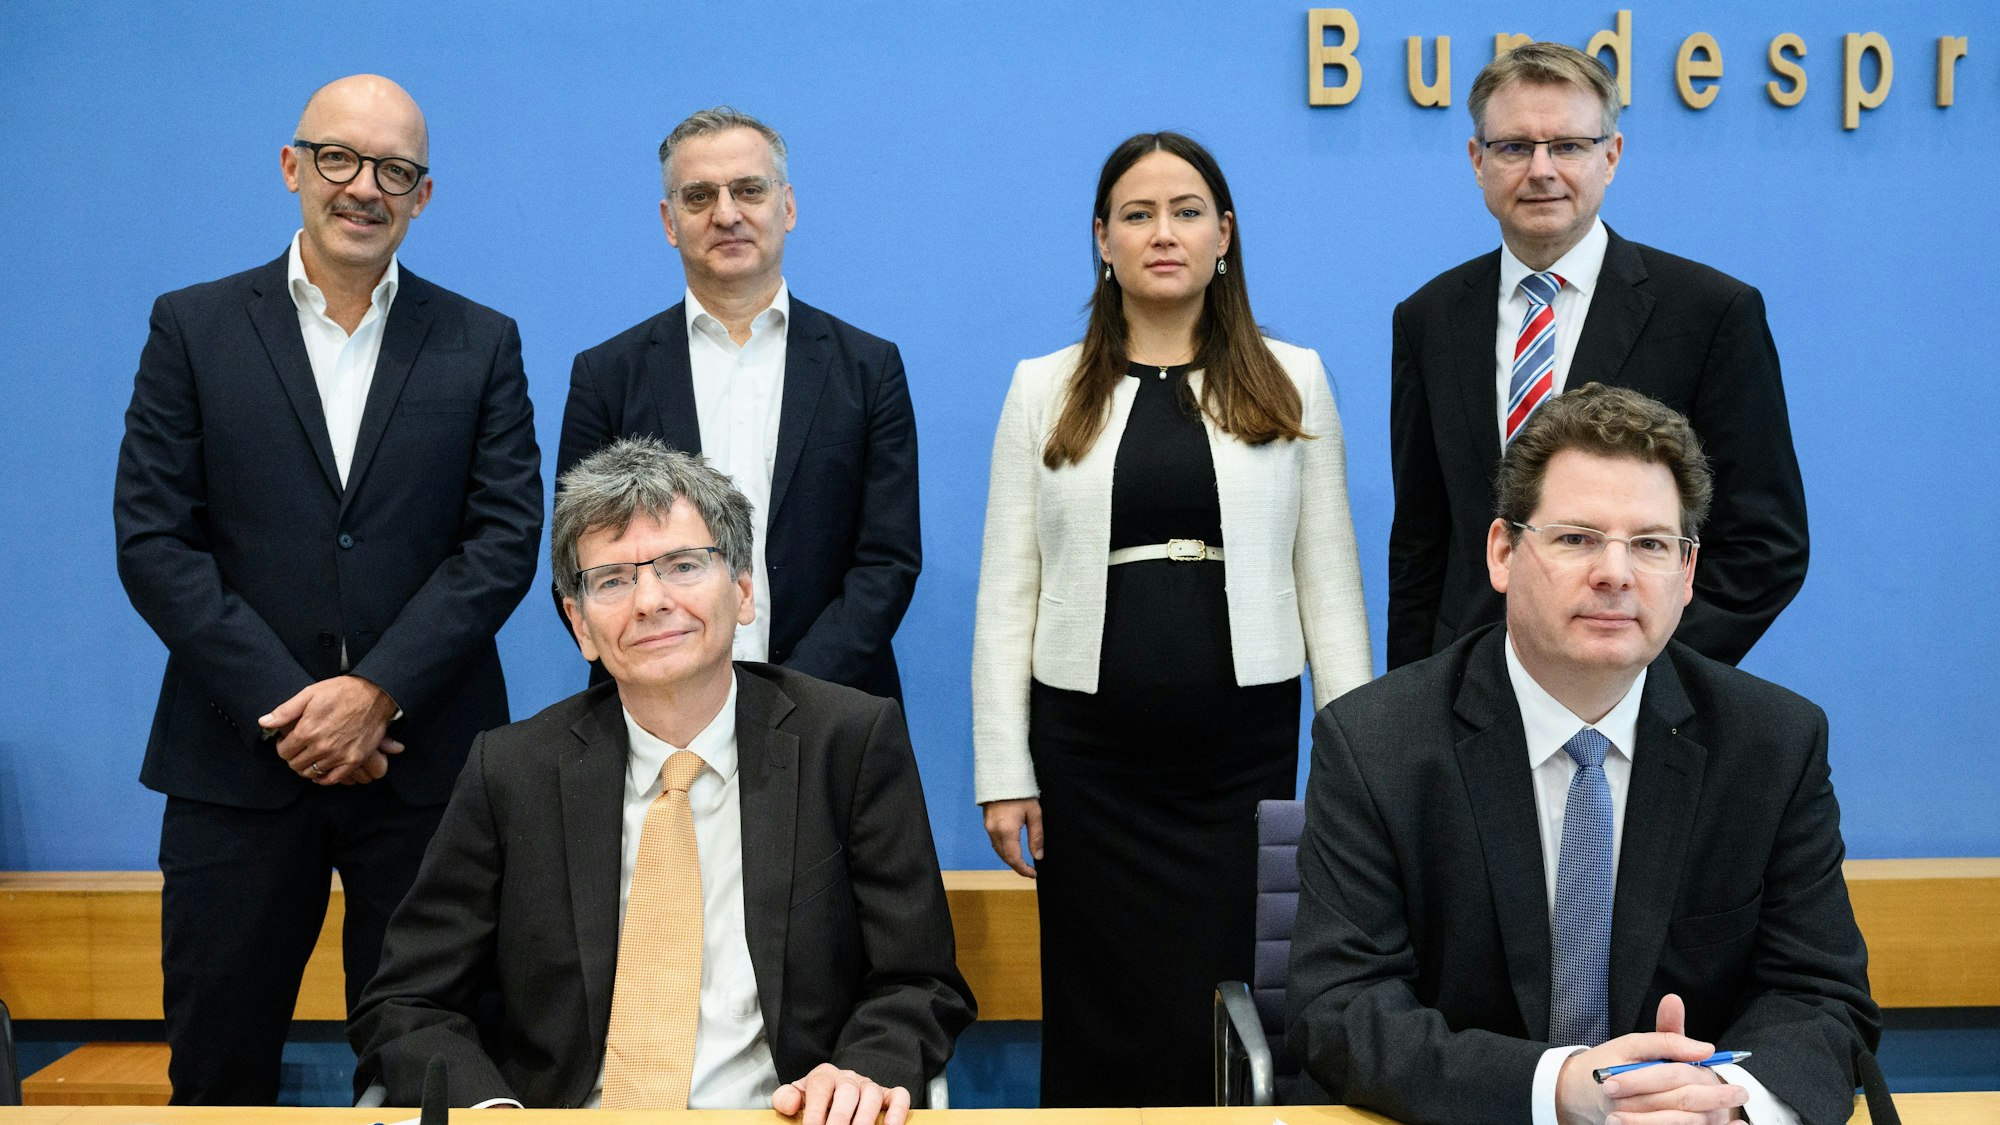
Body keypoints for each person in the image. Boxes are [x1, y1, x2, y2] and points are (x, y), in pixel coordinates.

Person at [112, 74, 543, 1103]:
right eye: (341, 159)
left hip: (425, 767)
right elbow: (154, 540)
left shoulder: (481, 341)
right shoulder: (195, 326)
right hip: (233, 766)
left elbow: (504, 539)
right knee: (217, 1069)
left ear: (422, 196)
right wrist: (296, 710)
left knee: (425, 1071)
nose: (365, 188)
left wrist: (374, 692)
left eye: (395, 170)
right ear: (292, 167)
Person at [1288, 383, 1877, 1125]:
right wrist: (1556, 1086)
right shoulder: (1377, 742)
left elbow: (1820, 995)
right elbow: (1340, 1008)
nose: (1616, 573)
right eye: (1576, 538)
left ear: (1688, 575)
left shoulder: (1772, 744)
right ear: (1503, 552)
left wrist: (1730, 1104)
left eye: (1652, 544)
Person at [350, 437, 973, 1117]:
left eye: (681, 565)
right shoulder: (512, 771)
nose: (650, 600)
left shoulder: (846, 743)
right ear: (580, 623)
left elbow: (919, 982)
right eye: (613, 579)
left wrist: (861, 1071)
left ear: (742, 590)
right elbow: (408, 1002)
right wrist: (492, 1111)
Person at [972, 131, 1373, 1106]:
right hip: (1088, 760)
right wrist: (1003, 773)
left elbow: (1329, 582)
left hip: (1237, 756)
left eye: (1186, 211)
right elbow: (1003, 594)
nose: (1164, 232)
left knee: (1227, 990)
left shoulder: (1294, 377)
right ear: (1101, 239)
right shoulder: (1041, 387)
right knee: (1096, 994)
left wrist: (1359, 768)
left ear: (1223, 235)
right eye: (1138, 214)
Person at [1388, 41, 1808, 671]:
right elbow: (1421, 544)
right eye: (1514, 147)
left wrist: (1643, 666)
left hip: (1636, 690)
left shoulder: (1710, 312)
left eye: (1568, 145)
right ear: (1477, 162)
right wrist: (1410, 701)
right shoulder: (1428, 317)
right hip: (1468, 691)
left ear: (1611, 156)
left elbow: (1766, 544)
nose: (1541, 170)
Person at [559, 107, 918, 699]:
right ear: (669, 221)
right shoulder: (608, 375)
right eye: (699, 196)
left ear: (789, 206)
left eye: (749, 190)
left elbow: (887, 563)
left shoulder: (868, 367)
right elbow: (577, 565)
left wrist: (789, 697)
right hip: (656, 705)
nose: (726, 214)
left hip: (835, 710)